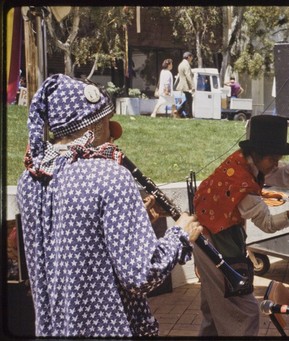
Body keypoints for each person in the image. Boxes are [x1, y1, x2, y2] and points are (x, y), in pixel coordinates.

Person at [16, 74, 203, 337]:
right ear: (99, 122)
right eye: (108, 122)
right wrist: (180, 235)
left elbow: (74, 246)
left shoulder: (30, 179)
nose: (112, 136)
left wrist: (132, 225)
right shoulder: (110, 176)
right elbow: (141, 274)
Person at [192, 115, 289, 336]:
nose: (276, 163)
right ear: (257, 154)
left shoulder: (247, 161)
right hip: (214, 243)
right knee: (245, 312)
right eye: (273, 159)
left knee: (213, 309)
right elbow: (268, 225)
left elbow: (284, 172)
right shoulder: (242, 183)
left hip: (212, 235)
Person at [175, 51, 195, 118]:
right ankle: (188, 114)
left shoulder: (181, 64)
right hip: (185, 85)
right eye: (191, 57)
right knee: (189, 99)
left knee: (188, 99)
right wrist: (192, 85)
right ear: (189, 57)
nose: (192, 59)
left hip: (182, 84)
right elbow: (188, 75)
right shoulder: (186, 64)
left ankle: (180, 112)